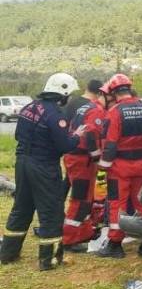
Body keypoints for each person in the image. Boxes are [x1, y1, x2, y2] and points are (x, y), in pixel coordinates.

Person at [0, 73, 85, 270]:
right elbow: (65, 146)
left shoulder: (29, 107)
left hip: (22, 163)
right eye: (69, 94)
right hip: (44, 166)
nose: (69, 98)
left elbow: (17, 135)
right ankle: (50, 260)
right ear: (62, 94)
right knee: (51, 211)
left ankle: (7, 253)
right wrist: (77, 136)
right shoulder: (55, 115)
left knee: (21, 208)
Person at [96, 74, 142, 258]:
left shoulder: (115, 112)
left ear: (113, 93)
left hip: (120, 166)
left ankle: (114, 244)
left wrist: (103, 166)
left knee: (117, 204)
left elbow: (110, 143)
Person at [62, 82, 107, 252]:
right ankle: (69, 240)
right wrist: (97, 157)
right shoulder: (95, 110)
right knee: (80, 199)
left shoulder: (85, 107)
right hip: (81, 159)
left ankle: (83, 233)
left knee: (86, 198)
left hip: (76, 157)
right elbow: (89, 134)